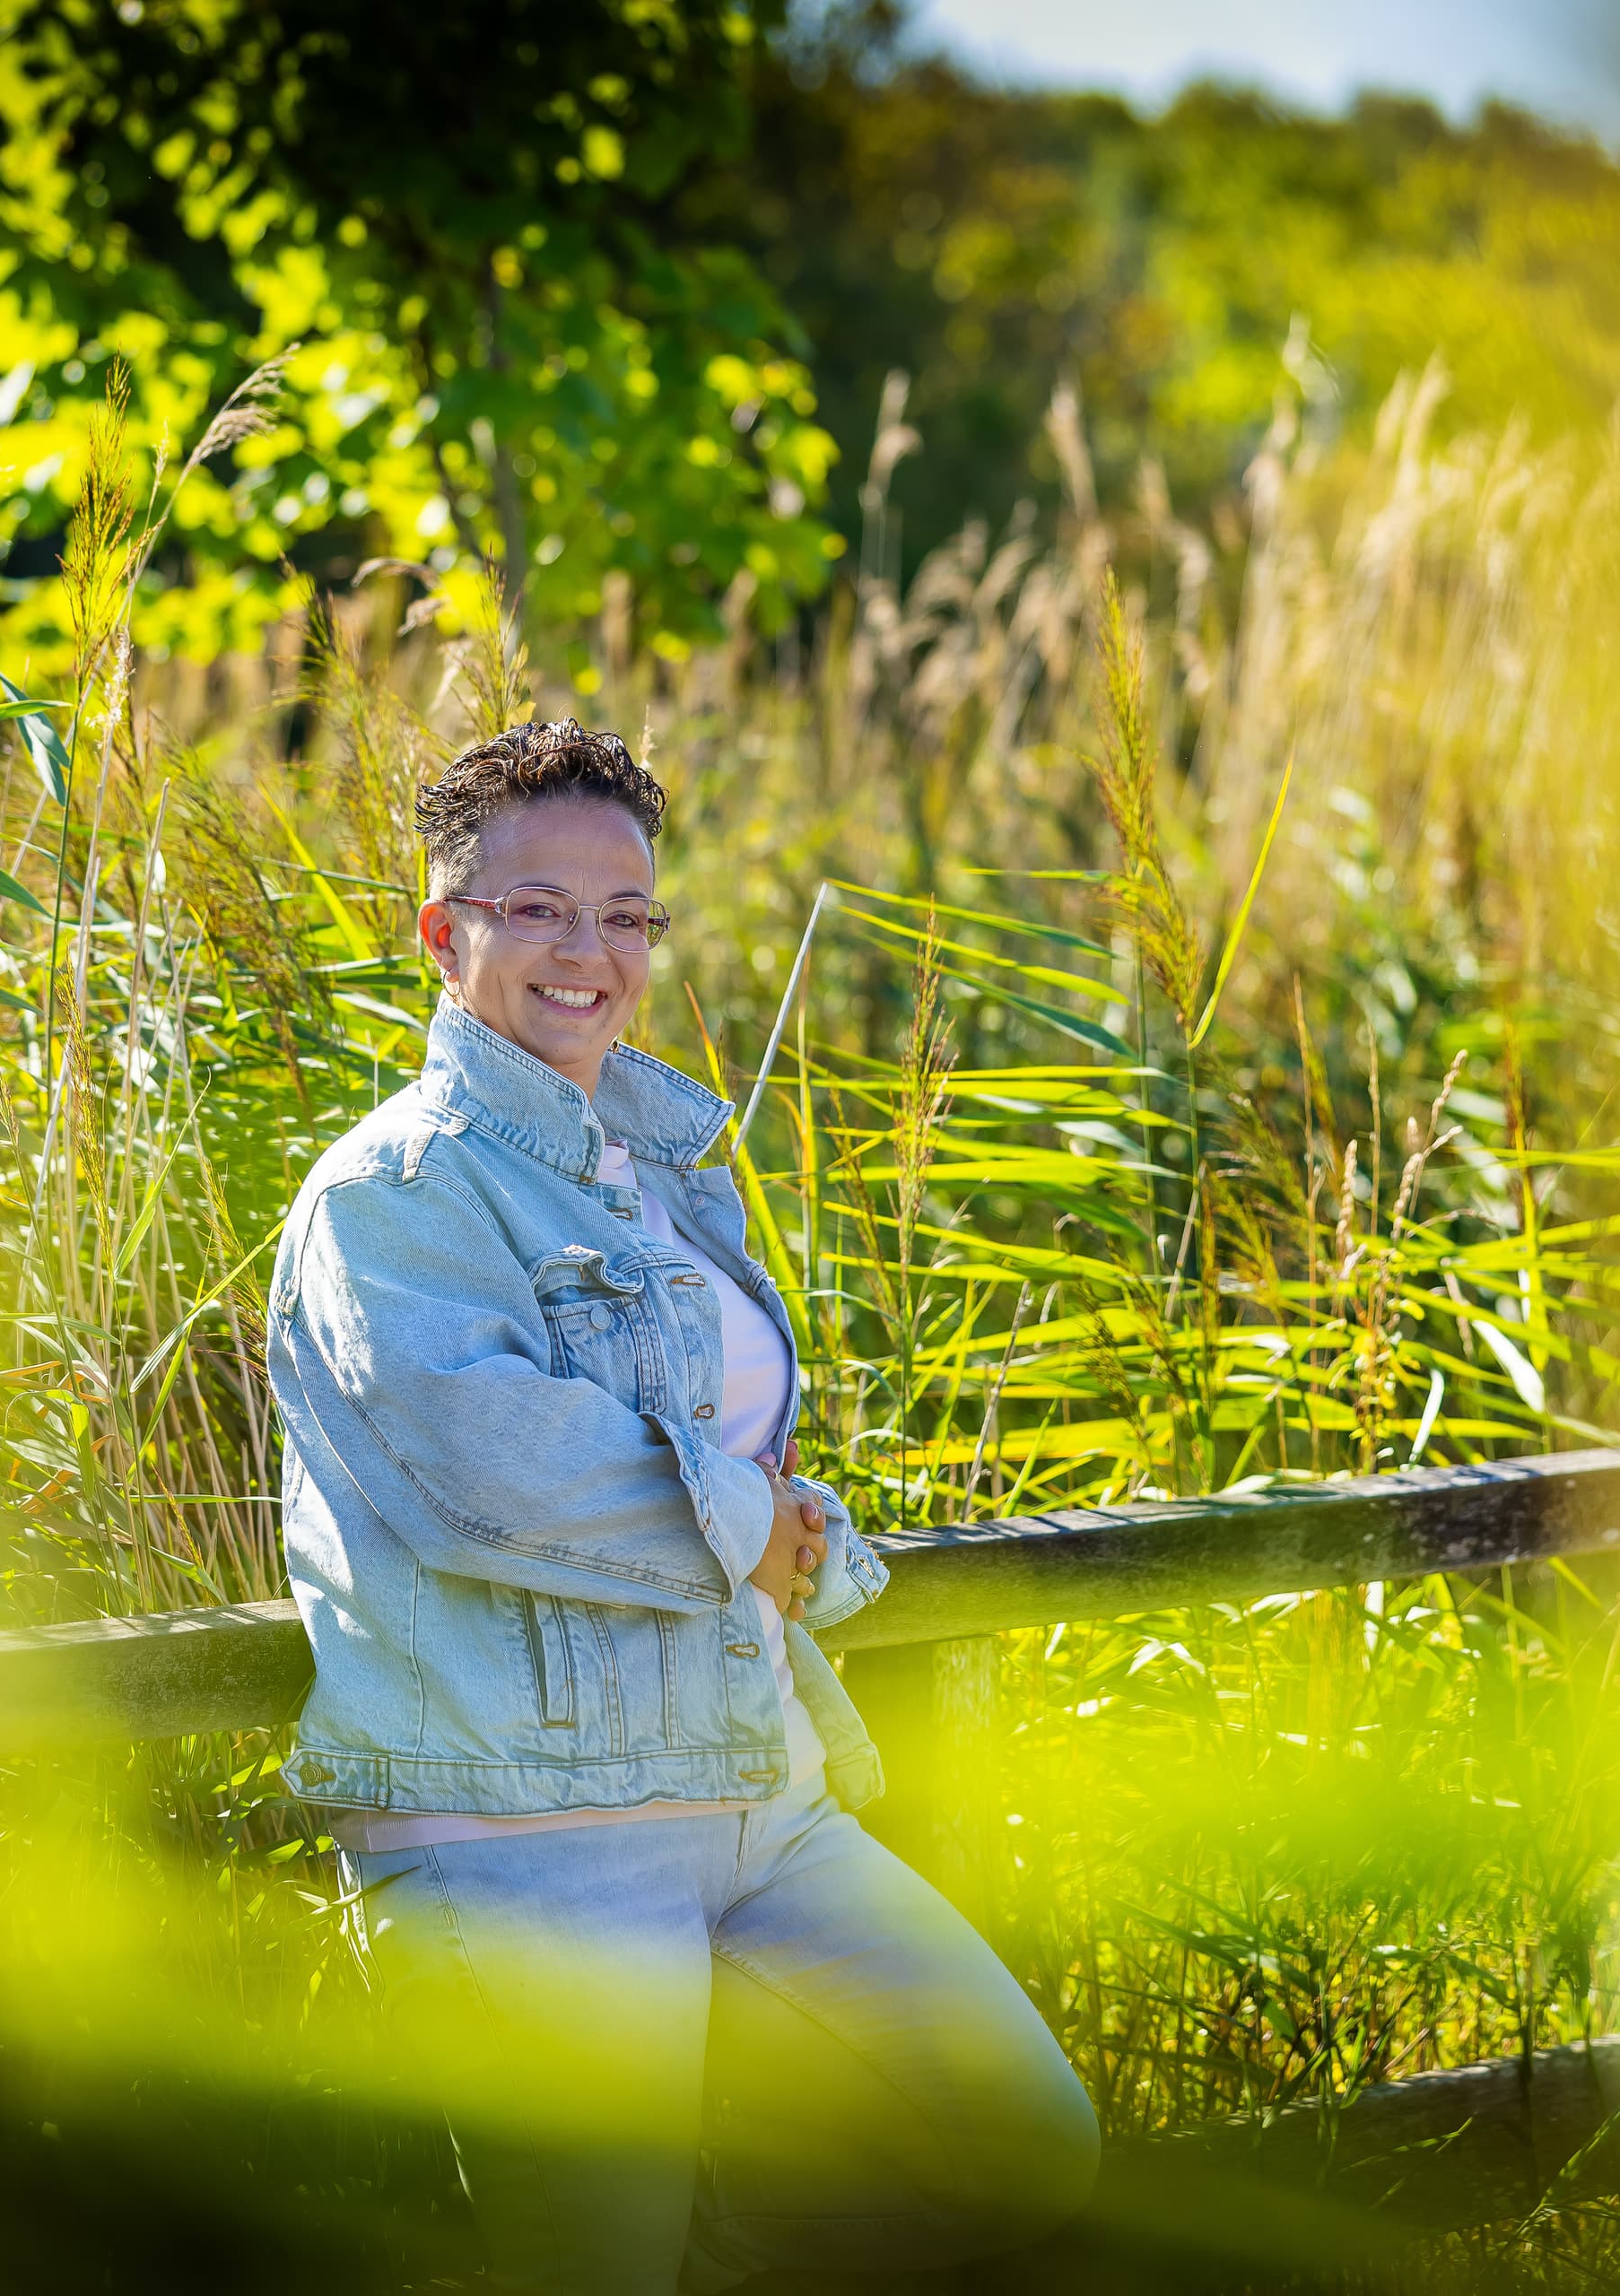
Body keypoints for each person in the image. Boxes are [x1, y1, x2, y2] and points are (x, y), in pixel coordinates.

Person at [266, 720, 1100, 2293]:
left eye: (628, 914)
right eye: (537, 908)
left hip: (758, 1797)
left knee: (1022, 2140)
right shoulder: (393, 1196)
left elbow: (724, 1456)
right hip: (527, 1843)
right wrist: (748, 1526)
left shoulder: (659, 1173)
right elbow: (483, 1476)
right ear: (444, 933)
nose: (591, 951)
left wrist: (799, 1531)